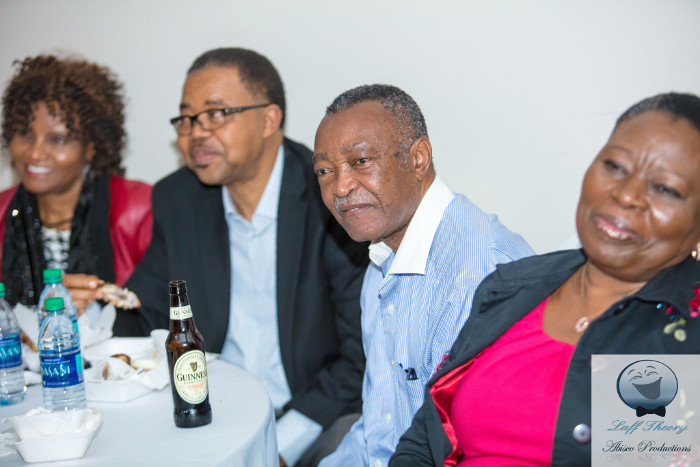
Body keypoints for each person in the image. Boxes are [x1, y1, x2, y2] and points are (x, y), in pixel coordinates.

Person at [390, 92, 700, 466]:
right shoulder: (512, 286)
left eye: (665, 189)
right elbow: (422, 444)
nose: (626, 195)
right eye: (615, 166)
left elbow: (641, 456)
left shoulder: (682, 335)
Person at [101, 48, 367, 466]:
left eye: (215, 114)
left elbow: (361, 354)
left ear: (269, 120)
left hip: (313, 416)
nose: (195, 133)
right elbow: (140, 311)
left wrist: (276, 446)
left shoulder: (330, 196)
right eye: (186, 119)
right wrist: (94, 310)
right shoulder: (179, 199)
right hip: (217, 414)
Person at [313, 84, 534, 467]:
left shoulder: (483, 275)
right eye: (324, 171)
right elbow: (380, 427)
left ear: (418, 158)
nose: (341, 186)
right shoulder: (382, 256)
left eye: (360, 160)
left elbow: (487, 449)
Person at [0, 55, 152, 310]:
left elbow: (164, 306)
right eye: (25, 134)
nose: (35, 153)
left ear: (91, 146)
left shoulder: (141, 209)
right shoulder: (4, 212)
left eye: (57, 140)